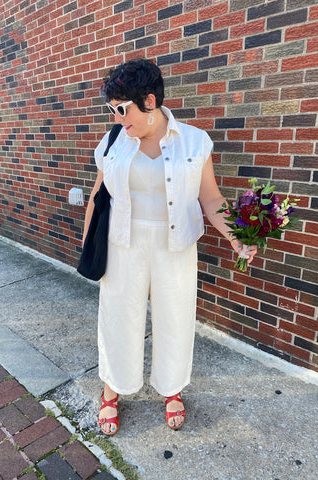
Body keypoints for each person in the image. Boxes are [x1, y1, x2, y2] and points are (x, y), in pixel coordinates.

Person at [82, 58, 257, 436]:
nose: (116, 118)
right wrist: (86, 250)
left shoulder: (194, 142)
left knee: (175, 318)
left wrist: (238, 237)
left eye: (122, 109)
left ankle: (171, 389)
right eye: (111, 109)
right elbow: (98, 195)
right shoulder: (112, 141)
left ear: (149, 101)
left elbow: (210, 199)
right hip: (122, 243)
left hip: (175, 246)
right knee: (117, 317)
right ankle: (112, 389)